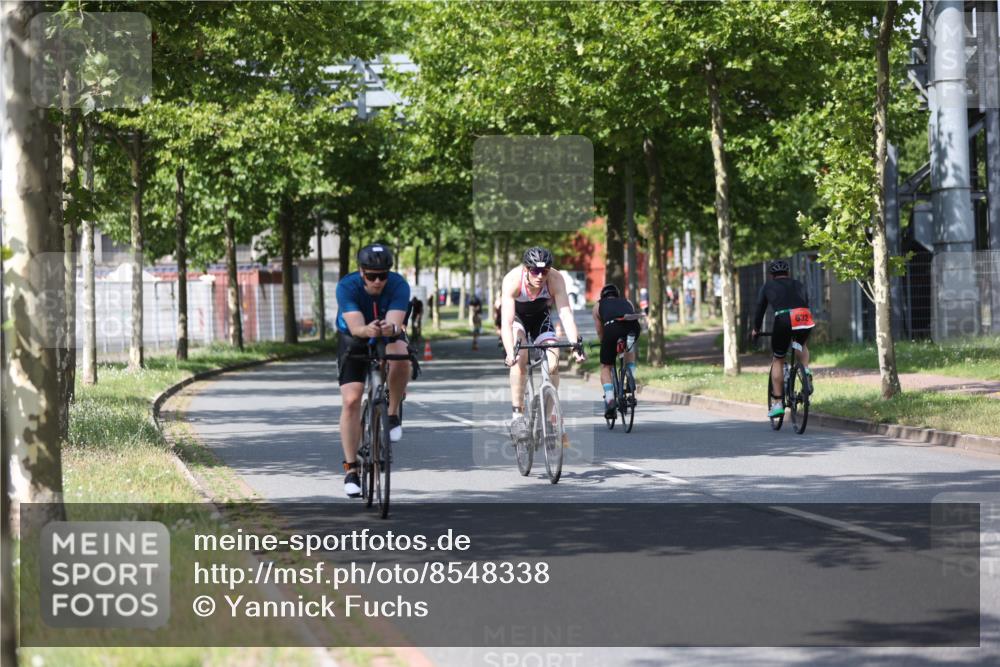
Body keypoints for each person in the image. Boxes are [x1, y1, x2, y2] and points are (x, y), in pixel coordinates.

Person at [335, 243, 412, 498]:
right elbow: (357, 327)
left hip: (385, 332)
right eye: (371, 276)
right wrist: (368, 330)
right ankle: (351, 468)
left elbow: (395, 322)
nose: (378, 281)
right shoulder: (347, 286)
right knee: (351, 399)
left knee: (402, 357)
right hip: (354, 337)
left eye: (383, 275)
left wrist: (388, 329)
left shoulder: (399, 285)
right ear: (361, 272)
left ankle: (390, 415)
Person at [499, 246, 585, 443]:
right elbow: (507, 322)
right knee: (520, 358)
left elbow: (565, 314)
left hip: (541, 319)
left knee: (553, 361)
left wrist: (575, 345)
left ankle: (548, 417)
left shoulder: (555, 279)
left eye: (544, 271)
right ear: (526, 269)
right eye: (535, 271)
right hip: (518, 320)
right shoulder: (512, 280)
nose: (540, 276)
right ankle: (517, 416)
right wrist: (510, 352)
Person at [750, 259, 816, 418]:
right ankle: (805, 371)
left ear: (772, 275)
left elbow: (760, 309)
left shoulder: (767, 286)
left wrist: (755, 330)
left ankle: (778, 403)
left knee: (778, 359)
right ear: (788, 273)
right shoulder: (798, 284)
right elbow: (806, 301)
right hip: (803, 318)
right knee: (800, 344)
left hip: (784, 319)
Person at [592, 284, 642, 419]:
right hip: (633, 326)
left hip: (612, 328)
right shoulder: (627, 301)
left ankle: (609, 400)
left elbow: (599, 330)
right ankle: (631, 377)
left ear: (603, 296)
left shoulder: (598, 306)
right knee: (629, 349)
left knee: (606, 366)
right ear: (617, 295)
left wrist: (605, 344)